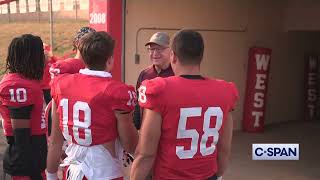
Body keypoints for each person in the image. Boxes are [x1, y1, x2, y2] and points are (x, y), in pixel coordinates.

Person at [131, 30, 239, 180]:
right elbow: (224, 148)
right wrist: (216, 174)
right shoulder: (225, 91)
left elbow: (146, 153)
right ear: (200, 57)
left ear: (173, 56)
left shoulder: (160, 89)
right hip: (208, 175)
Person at [46, 31, 138, 180]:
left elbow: (55, 141)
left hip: (72, 171)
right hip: (105, 172)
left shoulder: (60, 84)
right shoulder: (117, 92)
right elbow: (131, 146)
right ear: (109, 60)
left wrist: (51, 176)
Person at [0, 34, 47, 180]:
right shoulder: (19, 85)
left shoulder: (23, 80)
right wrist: (34, 174)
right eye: (40, 53)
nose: (44, 57)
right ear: (30, 57)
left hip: (30, 163)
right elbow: (21, 137)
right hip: (24, 169)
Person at [133, 32, 174, 130]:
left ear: (171, 50)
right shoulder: (144, 74)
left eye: (159, 49)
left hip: (169, 132)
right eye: (152, 49)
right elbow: (138, 105)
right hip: (146, 133)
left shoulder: (176, 74)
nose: (155, 53)